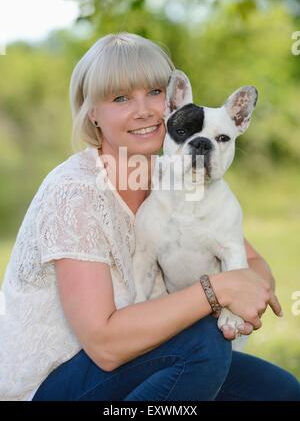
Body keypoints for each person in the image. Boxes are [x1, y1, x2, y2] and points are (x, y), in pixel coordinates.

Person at [0, 32, 299, 402]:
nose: (144, 110)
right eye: (121, 98)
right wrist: (219, 290)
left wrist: (250, 287)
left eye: (154, 93)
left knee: (279, 391)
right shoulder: (75, 192)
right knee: (204, 344)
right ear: (92, 111)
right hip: (55, 384)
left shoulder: (173, 172)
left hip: (142, 357)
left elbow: (250, 261)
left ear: (173, 102)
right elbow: (105, 346)